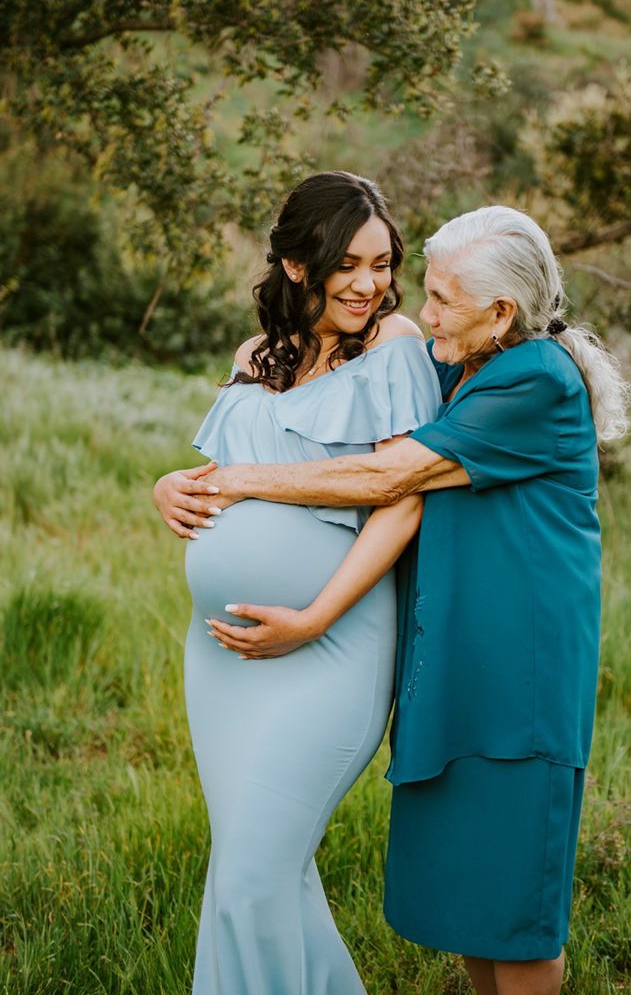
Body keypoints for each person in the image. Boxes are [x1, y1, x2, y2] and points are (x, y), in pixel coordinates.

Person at [156, 205, 631, 995]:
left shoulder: (535, 379)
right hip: (448, 664)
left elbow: (387, 477)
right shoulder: (467, 364)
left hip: (518, 677)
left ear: (500, 312)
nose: (414, 308)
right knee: (476, 907)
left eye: (439, 298)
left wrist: (230, 481)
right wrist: (182, 479)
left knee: (514, 914)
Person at [153, 170, 442, 995]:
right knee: (267, 872)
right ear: (296, 265)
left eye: (383, 264)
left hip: (332, 647)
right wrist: (170, 486)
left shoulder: (395, 346)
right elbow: (225, 473)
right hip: (221, 662)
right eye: (347, 264)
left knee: (249, 877)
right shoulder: (256, 354)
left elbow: (400, 495)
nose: (369, 285)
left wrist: (315, 617)